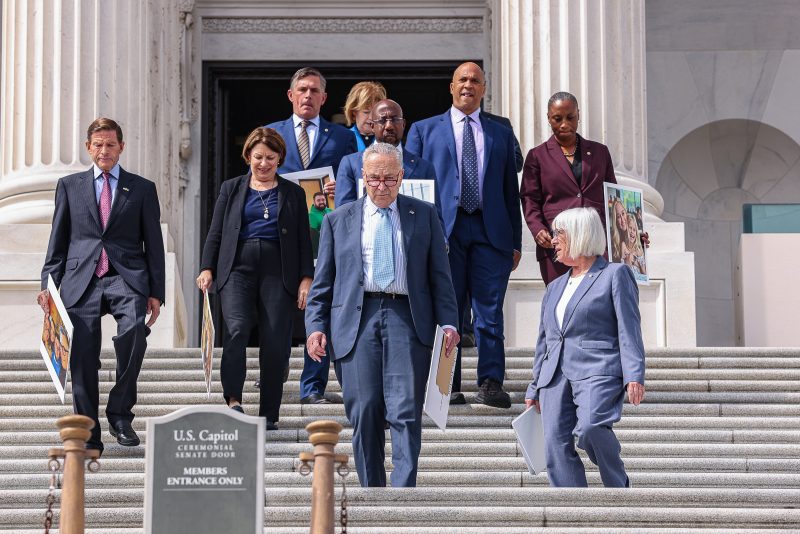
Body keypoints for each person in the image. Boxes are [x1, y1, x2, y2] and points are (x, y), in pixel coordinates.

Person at [305, 142, 460, 487]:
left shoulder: (425, 215)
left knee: (405, 408)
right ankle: (372, 492)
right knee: (365, 409)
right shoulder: (337, 220)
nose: (381, 186)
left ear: (402, 176)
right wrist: (315, 327)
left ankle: (403, 493)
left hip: (408, 315)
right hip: (357, 320)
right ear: (363, 177)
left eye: (389, 178)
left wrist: (449, 322)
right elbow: (323, 283)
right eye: (374, 179)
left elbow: (441, 277)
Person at [38, 117, 165, 453]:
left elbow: (153, 244)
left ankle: (120, 413)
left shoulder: (142, 188)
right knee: (82, 356)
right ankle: (88, 432)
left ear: (121, 147)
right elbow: (58, 241)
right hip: (82, 280)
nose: (104, 150)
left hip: (126, 277)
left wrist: (156, 292)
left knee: (135, 332)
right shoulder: (69, 185)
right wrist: (48, 286)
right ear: (88, 148)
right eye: (98, 145)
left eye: (111, 144)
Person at [406, 62, 521, 408]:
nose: (468, 85)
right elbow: (412, 187)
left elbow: (508, 189)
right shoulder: (424, 131)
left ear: (484, 88)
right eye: (463, 80)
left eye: (475, 80)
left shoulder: (500, 130)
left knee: (489, 313)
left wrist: (516, 241)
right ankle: (446, 385)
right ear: (451, 87)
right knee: (447, 311)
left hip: (491, 231)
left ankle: (490, 382)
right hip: (443, 232)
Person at [197, 127, 314, 430]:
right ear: (248, 156)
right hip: (237, 268)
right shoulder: (231, 188)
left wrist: (306, 278)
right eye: (258, 157)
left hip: (279, 271)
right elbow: (216, 232)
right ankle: (233, 399)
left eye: (270, 158)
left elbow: (304, 240)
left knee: (276, 340)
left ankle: (269, 413)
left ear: (280, 160)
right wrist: (207, 267)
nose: (263, 164)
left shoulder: (293, 193)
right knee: (236, 328)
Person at [524, 207, 645, 488]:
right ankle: (573, 511)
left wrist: (634, 375)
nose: (553, 240)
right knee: (554, 443)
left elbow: (630, 328)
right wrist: (534, 386)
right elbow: (545, 341)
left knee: (590, 428)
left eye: (559, 234)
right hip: (554, 377)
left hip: (597, 368)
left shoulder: (615, 274)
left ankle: (617, 485)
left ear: (580, 235)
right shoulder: (554, 287)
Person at [520, 91, 618, 286]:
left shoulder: (600, 152)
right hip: (557, 244)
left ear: (578, 115)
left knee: (598, 304)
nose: (564, 124)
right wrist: (537, 228)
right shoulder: (537, 156)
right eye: (557, 119)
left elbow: (614, 198)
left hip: (596, 243)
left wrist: (632, 230)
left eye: (570, 117)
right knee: (561, 305)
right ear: (549, 119)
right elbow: (529, 198)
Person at [336, 99, 439, 209]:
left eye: (395, 120)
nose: (389, 126)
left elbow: (435, 220)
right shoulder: (351, 164)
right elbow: (344, 217)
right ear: (372, 126)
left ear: (403, 124)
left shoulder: (424, 168)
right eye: (382, 120)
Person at [266, 67, 357, 180]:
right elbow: (255, 178)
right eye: (302, 89)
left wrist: (340, 187)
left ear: (323, 98)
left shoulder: (344, 137)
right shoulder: (270, 134)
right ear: (290, 95)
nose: (308, 95)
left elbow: (354, 179)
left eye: (314, 90)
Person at [343, 81, 387, 151]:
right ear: (354, 112)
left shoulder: (388, 139)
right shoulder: (342, 138)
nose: (371, 117)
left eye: (375, 112)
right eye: (366, 112)